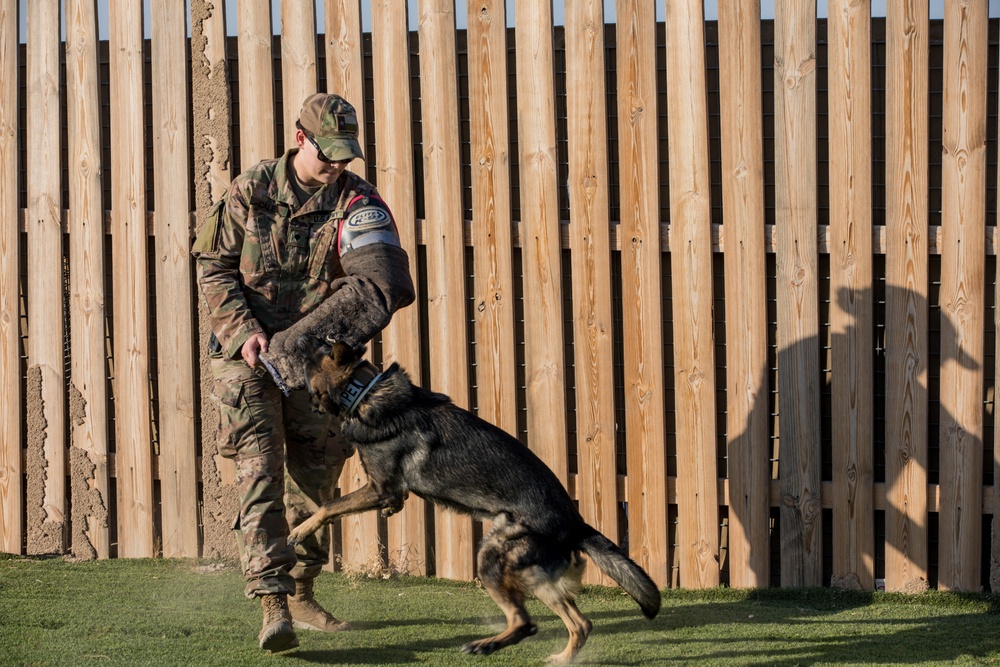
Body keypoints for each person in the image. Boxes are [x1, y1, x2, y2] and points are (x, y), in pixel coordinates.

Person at [192, 93, 415, 652]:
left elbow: (382, 285)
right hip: (244, 355)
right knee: (261, 467)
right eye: (328, 153)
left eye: (346, 155)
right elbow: (213, 267)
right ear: (300, 139)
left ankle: (301, 588)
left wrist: (299, 344)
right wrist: (245, 332)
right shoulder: (252, 190)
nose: (337, 165)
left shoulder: (359, 203)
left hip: (319, 367)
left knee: (316, 477)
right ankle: (272, 603)